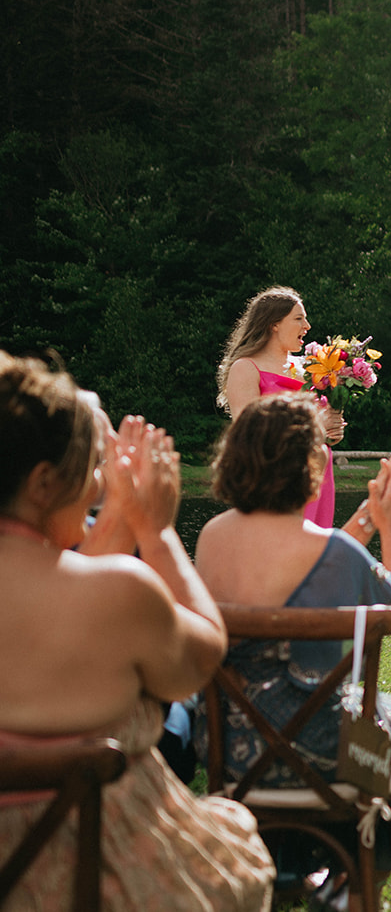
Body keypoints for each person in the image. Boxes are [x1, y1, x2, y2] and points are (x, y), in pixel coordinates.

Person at [0, 352, 274, 911]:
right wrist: (156, 530)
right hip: (99, 870)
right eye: (90, 466)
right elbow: (201, 658)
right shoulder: (120, 592)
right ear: (44, 481)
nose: (98, 481)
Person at [193, 394, 391, 896]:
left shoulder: (213, 537)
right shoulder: (336, 552)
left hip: (230, 752)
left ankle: (309, 872)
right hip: (331, 754)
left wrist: (364, 520)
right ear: (314, 464)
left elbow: (311, 563)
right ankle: (358, 883)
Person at [216, 286, 345, 531]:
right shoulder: (246, 367)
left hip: (317, 477)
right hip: (275, 480)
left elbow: (321, 429)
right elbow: (249, 436)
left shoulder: (309, 368)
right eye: (298, 318)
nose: (307, 326)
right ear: (274, 323)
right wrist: (317, 426)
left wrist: (332, 431)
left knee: (313, 555)